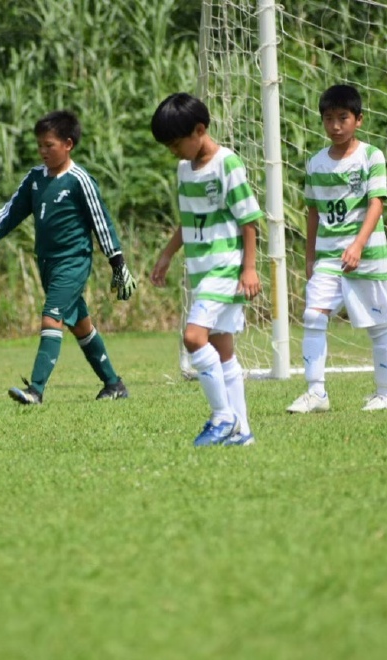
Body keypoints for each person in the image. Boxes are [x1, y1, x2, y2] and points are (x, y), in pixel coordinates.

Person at [0, 109, 136, 405]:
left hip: (73, 262)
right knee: (80, 325)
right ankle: (114, 384)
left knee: (51, 317)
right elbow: (10, 211)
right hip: (46, 263)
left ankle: (36, 390)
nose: (43, 151)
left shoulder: (79, 180)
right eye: (39, 145)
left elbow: (101, 222)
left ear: (68, 144)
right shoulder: (35, 178)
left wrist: (117, 263)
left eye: (49, 145)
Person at [150, 93, 262, 447]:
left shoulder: (227, 164)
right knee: (222, 350)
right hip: (202, 271)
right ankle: (242, 432)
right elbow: (189, 220)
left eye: (176, 144)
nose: (174, 152)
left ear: (199, 130)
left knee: (193, 337)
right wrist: (167, 255)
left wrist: (249, 268)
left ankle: (222, 416)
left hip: (225, 269)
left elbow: (249, 220)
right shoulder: (185, 169)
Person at [287, 84, 387, 414]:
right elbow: (312, 211)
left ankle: (385, 394)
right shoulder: (315, 163)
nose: (335, 126)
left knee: (378, 325)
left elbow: (376, 203)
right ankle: (316, 393)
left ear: (358, 120)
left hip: (367, 257)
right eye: (328, 119)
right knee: (313, 316)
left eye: (343, 118)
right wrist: (310, 257)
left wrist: (358, 245)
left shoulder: (371, 156)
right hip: (328, 257)